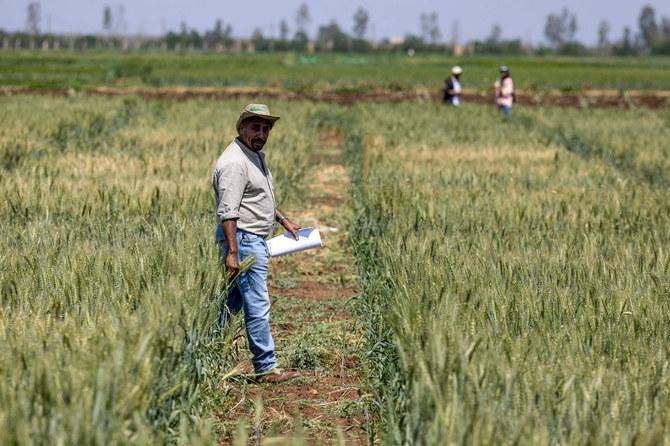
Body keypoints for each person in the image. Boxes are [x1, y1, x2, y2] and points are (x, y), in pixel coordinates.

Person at [212, 103, 303, 384]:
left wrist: (283, 220)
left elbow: (257, 199)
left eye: (265, 129)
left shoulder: (253, 155)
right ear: (241, 128)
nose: (261, 133)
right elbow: (228, 211)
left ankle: (204, 348)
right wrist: (233, 254)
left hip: (251, 240)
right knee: (257, 304)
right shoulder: (235, 163)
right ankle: (265, 367)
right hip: (243, 241)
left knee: (231, 303)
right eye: (255, 127)